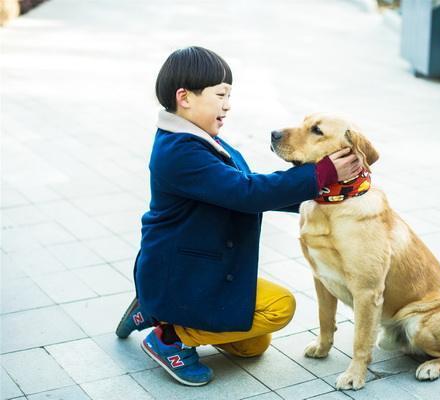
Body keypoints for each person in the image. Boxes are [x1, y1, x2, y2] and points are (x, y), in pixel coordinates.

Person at [114, 46, 362, 386]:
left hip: (196, 268)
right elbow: (246, 194)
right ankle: (169, 337)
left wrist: (328, 194)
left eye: (229, 95)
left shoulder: (201, 139)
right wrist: (320, 175)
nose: (227, 104)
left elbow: (246, 187)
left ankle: (155, 308)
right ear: (184, 97)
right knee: (280, 308)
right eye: (220, 95)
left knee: (252, 345)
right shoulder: (179, 152)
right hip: (184, 271)